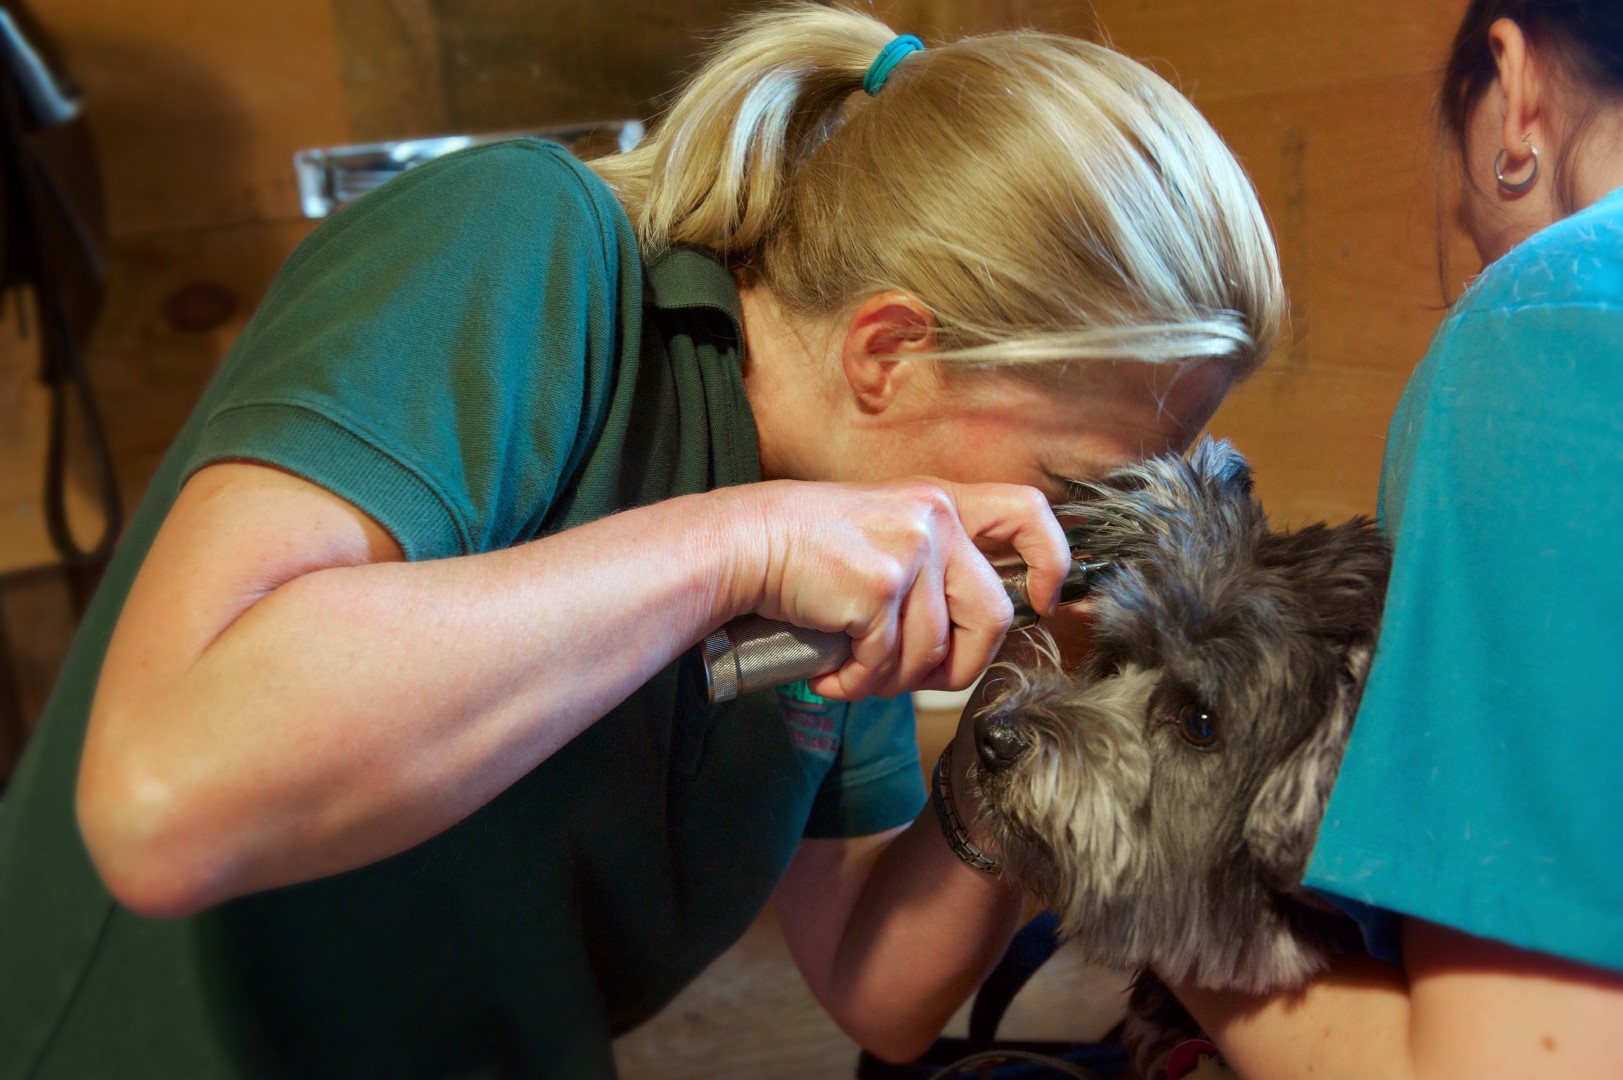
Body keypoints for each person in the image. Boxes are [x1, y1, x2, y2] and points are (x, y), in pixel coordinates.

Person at [0, 4, 1281, 1076]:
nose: (1062, 533)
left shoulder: (863, 518)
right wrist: (737, 544)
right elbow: (164, 801)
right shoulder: (520, 244)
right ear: (890, 351)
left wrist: (1038, 702)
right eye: (1070, 482)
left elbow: (873, 984)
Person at [1170, 0, 1623, 1074]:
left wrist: (1136, 886)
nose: (1475, 264)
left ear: (1514, 90)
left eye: (1471, 226)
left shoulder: (1546, 322)